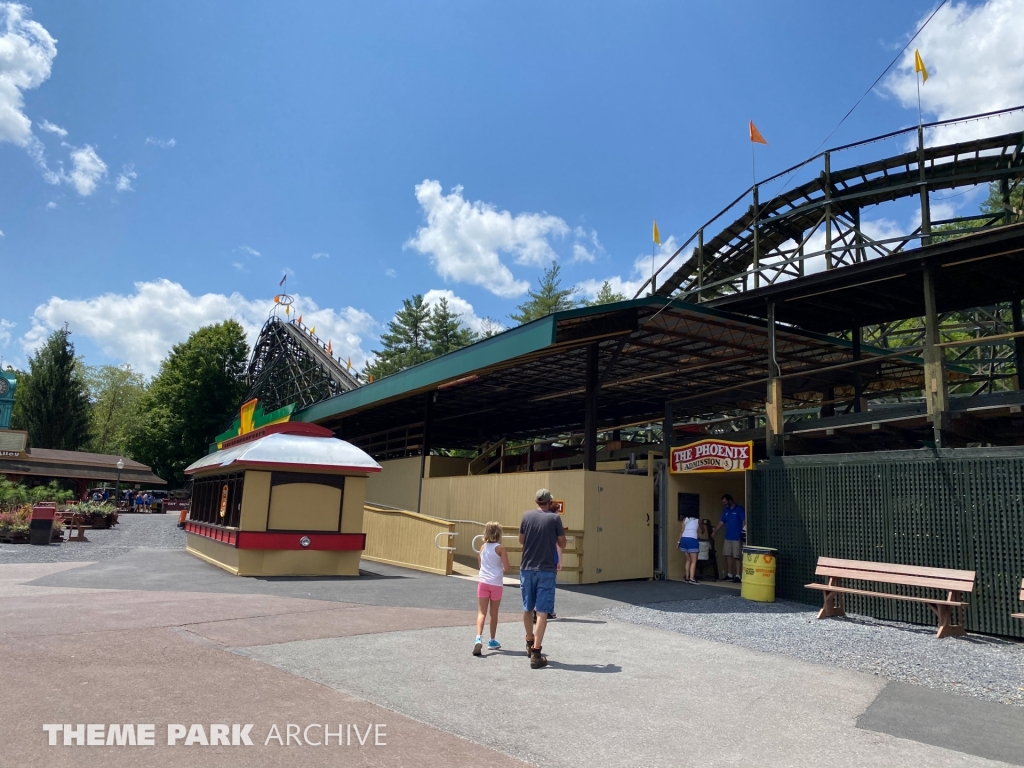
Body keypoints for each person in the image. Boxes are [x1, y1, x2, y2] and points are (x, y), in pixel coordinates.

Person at [519, 489, 566, 669]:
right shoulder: (554, 519)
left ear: (536, 501)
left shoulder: (526, 516)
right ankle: (537, 652)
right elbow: (562, 542)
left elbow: (521, 540)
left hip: (527, 567)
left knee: (527, 607)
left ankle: (529, 641)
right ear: (549, 501)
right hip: (546, 568)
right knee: (542, 611)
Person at [473, 522, 510, 656]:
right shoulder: (501, 548)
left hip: (483, 582)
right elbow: (507, 567)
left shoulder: (482, 547)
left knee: (481, 612)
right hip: (496, 583)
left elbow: (480, 564)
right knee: (493, 613)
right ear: (499, 533)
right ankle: (492, 640)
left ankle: (478, 637)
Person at [714, 494, 746, 583]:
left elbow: (744, 521)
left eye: (725, 502)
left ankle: (738, 576)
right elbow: (721, 522)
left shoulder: (739, 509)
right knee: (728, 555)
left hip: (737, 537)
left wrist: (744, 533)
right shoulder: (726, 510)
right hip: (728, 536)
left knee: (737, 556)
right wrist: (715, 531)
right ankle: (730, 574)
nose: (724, 504)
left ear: (730, 500)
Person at [679, 513, 700, 584]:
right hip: (692, 540)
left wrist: (678, 542)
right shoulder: (698, 520)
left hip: (684, 539)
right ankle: (692, 579)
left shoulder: (685, 519)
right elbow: (702, 530)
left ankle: (687, 578)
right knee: (694, 561)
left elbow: (682, 531)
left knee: (688, 560)